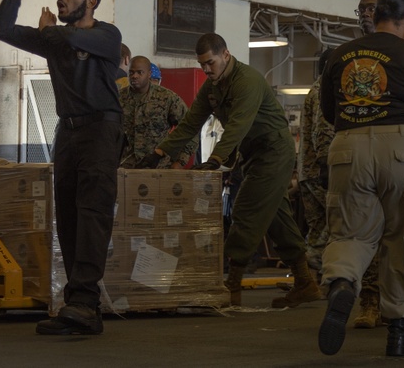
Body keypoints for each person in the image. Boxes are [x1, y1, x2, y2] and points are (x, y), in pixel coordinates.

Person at [0, 0, 123, 336]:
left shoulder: (106, 35)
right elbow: (0, 28)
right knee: (68, 216)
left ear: (91, 1)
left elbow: (71, 37)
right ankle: (79, 306)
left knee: (92, 212)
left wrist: (47, 32)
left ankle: (84, 302)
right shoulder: (54, 37)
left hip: (101, 128)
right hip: (67, 131)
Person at [317, 0, 404, 358]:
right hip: (400, 151)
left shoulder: (340, 56)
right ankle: (398, 334)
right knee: (402, 238)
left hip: (348, 148)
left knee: (350, 232)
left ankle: (343, 283)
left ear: (374, 16)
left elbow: (329, 113)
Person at [137, 33, 320, 310]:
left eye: (210, 62)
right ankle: (305, 282)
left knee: (245, 209)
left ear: (225, 55)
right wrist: (159, 153)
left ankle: (232, 285)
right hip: (253, 154)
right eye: (202, 65)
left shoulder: (247, 81)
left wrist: (216, 158)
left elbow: (238, 125)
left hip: (273, 151)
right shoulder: (213, 87)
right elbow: (189, 124)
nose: (207, 69)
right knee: (276, 217)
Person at [352, 0, 386, 330]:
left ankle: (398, 305)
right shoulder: (349, 56)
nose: (364, 13)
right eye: (361, 8)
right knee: (363, 232)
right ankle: (369, 301)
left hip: (396, 158)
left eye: (371, 8)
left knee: (402, 235)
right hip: (358, 159)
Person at [298, 48, 335, 274]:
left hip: (307, 172)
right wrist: (326, 164)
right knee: (338, 220)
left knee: (318, 225)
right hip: (320, 172)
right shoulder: (325, 90)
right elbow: (322, 131)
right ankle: (311, 259)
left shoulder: (314, 89)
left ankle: (312, 279)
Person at [119, 56, 193, 168]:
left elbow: (190, 128)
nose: (134, 76)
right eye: (131, 72)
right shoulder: (118, 98)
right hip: (125, 167)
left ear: (149, 74)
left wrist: (180, 161)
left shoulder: (167, 98)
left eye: (140, 72)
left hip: (159, 167)